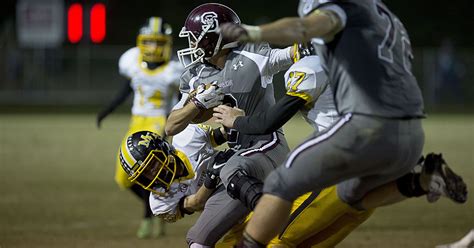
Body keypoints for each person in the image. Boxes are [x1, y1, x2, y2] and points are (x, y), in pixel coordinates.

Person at [219, 1, 468, 246]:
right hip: (410, 135)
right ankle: (422, 180)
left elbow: (306, 28)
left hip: (360, 134)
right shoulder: (385, 16)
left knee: (280, 191)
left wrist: (252, 33)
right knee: (352, 196)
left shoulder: (316, 57)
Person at [164, 3, 300, 246]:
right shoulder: (196, 75)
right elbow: (171, 127)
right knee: (197, 239)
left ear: (218, 37)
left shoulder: (252, 55)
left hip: (267, 144)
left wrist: (312, 46)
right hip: (238, 158)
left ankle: (276, 218)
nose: (193, 45)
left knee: (229, 169)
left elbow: (288, 55)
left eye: (198, 38)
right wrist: (196, 102)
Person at [96, 17, 183, 238]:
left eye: (158, 42)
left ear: (167, 43)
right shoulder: (133, 61)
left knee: (144, 171)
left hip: (159, 123)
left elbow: (184, 101)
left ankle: (147, 218)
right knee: (123, 177)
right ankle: (158, 208)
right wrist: (107, 110)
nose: (153, 47)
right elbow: (127, 90)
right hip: (136, 122)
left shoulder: (174, 69)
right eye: (149, 42)